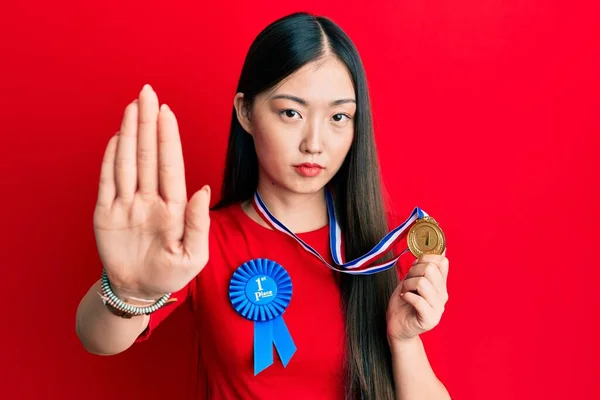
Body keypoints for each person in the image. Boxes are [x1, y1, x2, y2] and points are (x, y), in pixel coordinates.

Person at [76, 12, 451, 400]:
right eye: (291, 112)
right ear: (246, 112)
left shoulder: (383, 249)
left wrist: (404, 342)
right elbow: (98, 338)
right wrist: (128, 291)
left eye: (339, 116)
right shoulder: (201, 240)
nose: (314, 143)